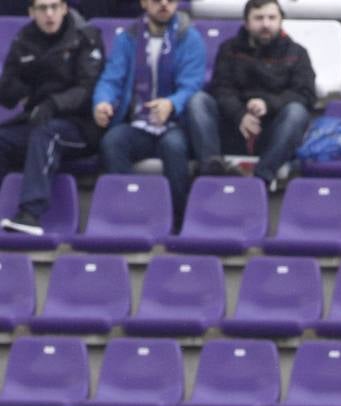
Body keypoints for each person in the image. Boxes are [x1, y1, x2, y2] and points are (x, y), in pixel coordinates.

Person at [92, 0, 205, 232]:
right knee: (113, 142)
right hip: (139, 123)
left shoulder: (189, 37)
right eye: (156, 0)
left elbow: (193, 85)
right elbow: (111, 78)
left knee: (174, 148)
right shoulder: (128, 38)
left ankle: (177, 223)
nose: (164, 4)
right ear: (144, 3)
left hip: (176, 124)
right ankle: (131, 215)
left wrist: (171, 104)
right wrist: (102, 102)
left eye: (170, 0)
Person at [184, 0, 315, 190]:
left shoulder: (297, 53)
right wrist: (240, 115)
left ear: (281, 20)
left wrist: (267, 104)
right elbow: (220, 89)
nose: (266, 24)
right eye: (259, 18)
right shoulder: (229, 49)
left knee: (297, 112)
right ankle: (211, 169)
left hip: (273, 132)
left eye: (272, 18)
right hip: (232, 127)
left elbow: (306, 95)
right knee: (198, 101)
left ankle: (260, 180)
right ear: (246, 22)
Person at [0, 0, 104, 236]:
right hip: (39, 121)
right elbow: (8, 89)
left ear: (64, 8)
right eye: (42, 8)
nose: (49, 14)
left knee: (48, 133)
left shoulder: (85, 36)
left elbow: (86, 89)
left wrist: (53, 104)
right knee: (2, 139)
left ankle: (30, 214)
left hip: (82, 126)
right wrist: (14, 90)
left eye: (54, 6)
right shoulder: (24, 39)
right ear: (31, 12)